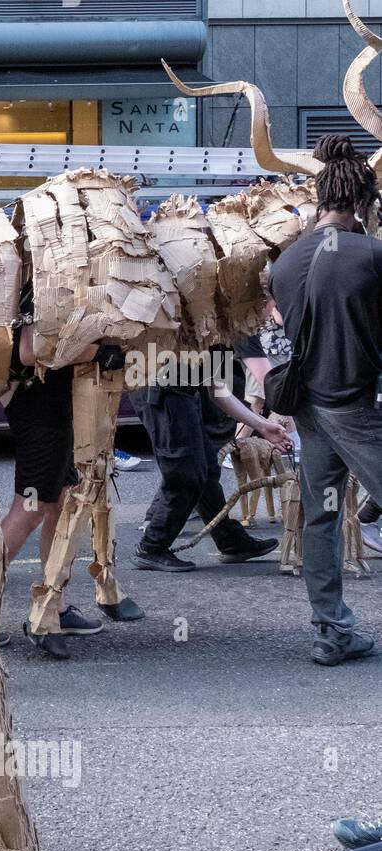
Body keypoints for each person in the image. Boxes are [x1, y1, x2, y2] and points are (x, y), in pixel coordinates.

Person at [269, 134, 382, 666]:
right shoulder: (371, 254)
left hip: (309, 408)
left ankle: (332, 630)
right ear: (364, 202)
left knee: (323, 515)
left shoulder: (286, 263)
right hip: (356, 407)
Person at [0, 285, 114, 658]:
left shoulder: (63, 272)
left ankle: (55, 604)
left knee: (61, 503)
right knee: (29, 508)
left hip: (54, 408)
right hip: (39, 410)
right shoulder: (46, 278)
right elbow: (31, 351)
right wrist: (102, 352)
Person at [131, 343, 290, 574]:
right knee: (185, 474)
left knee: (206, 470)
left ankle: (230, 540)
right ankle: (152, 546)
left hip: (179, 390)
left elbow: (217, 389)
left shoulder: (216, 332)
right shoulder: (194, 322)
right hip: (161, 389)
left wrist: (263, 426)